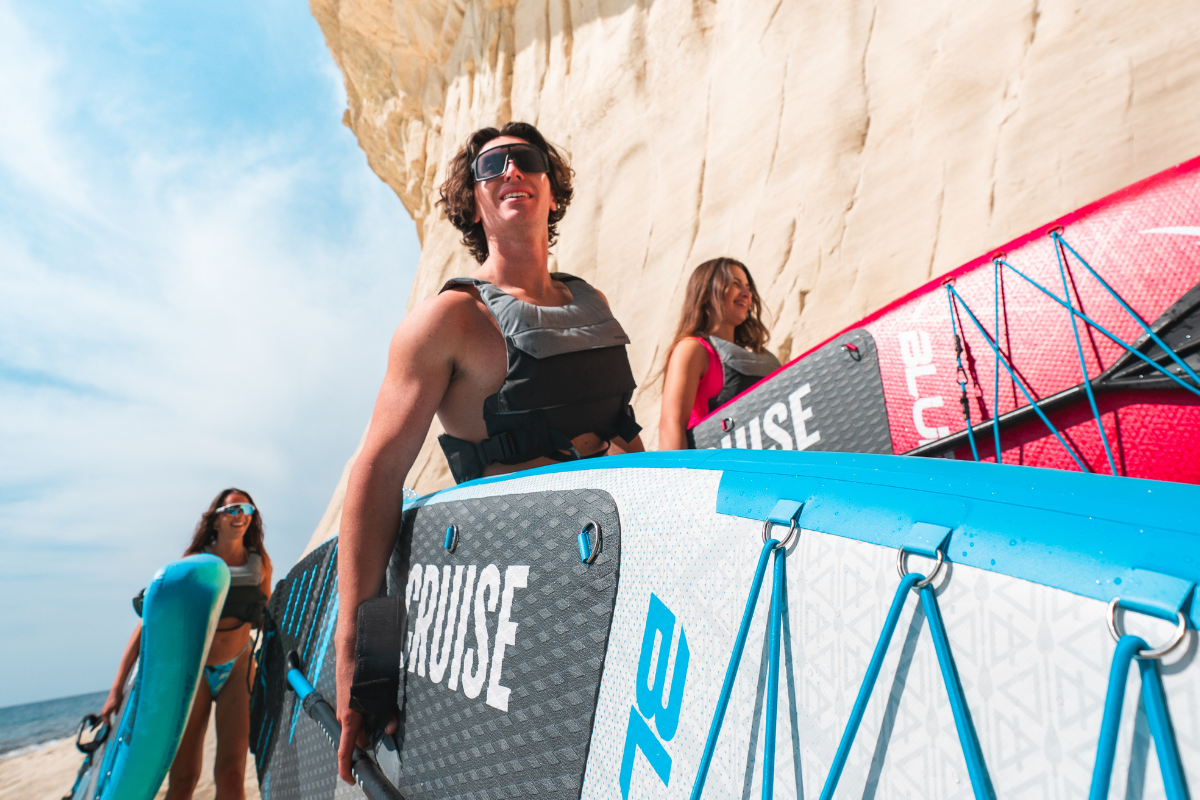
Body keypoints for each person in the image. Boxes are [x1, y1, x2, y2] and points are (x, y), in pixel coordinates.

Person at [334, 121, 644, 781]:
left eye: (526, 160)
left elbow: (627, 433)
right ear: (472, 203)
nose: (510, 172)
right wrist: (359, 651)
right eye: (491, 166)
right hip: (522, 608)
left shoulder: (592, 303)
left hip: (619, 581)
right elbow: (378, 473)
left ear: (551, 192)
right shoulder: (448, 321)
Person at [101, 489, 272, 800]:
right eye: (232, 509)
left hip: (239, 667)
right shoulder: (194, 565)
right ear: (216, 519)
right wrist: (115, 691)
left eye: (247, 510)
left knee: (233, 773)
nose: (240, 515)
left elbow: (267, 617)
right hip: (196, 672)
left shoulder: (259, 564)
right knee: (184, 778)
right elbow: (148, 626)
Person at [658, 257, 779, 449]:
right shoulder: (693, 349)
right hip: (714, 463)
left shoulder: (761, 357)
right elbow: (671, 425)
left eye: (748, 287)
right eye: (736, 284)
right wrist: (679, 469)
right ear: (707, 293)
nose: (747, 294)